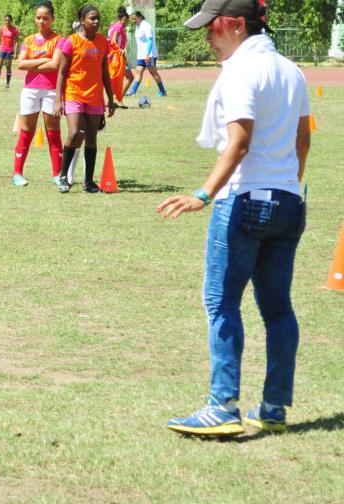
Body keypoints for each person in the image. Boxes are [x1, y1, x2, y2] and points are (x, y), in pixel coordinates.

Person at [159, 0, 310, 437]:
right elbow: (302, 138)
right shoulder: (291, 69)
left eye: (212, 27)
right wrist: (287, 185)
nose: (207, 36)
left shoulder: (241, 71)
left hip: (244, 199)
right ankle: (275, 407)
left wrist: (203, 194)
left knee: (222, 302)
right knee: (278, 307)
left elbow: (239, 141)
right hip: (287, 200)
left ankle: (222, 405)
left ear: (237, 25)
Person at [55, 4, 116, 194]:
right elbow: (62, 72)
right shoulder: (71, 42)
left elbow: (105, 72)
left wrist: (111, 99)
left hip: (95, 96)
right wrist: (58, 100)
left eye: (97, 18)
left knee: (91, 137)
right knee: (74, 133)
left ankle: (88, 181)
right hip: (74, 93)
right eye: (92, 18)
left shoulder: (102, 42)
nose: (96, 21)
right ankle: (63, 175)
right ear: (82, 20)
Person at [11, 2, 64, 187]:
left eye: (45, 18)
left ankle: (58, 174)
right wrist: (44, 59)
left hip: (51, 91)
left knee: (53, 133)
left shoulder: (59, 39)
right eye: (38, 17)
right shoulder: (28, 40)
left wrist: (32, 63)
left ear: (52, 19)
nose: (41, 21)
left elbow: (55, 65)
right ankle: (17, 174)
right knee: (26, 132)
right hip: (30, 91)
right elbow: (20, 64)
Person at [127, 11, 167, 97]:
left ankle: (162, 91)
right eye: (132, 19)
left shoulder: (146, 25)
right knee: (138, 71)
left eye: (135, 18)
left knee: (153, 73)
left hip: (149, 55)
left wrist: (148, 54)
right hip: (141, 55)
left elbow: (150, 40)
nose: (133, 20)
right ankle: (132, 91)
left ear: (140, 17)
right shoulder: (138, 26)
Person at [107, 6, 134, 103]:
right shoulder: (119, 26)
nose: (127, 23)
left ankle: (115, 98)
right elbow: (114, 40)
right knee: (130, 77)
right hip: (117, 56)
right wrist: (120, 51)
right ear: (124, 19)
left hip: (111, 55)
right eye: (127, 21)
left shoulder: (112, 26)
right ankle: (117, 99)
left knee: (114, 78)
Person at [0, 14, 19, 90]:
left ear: (11, 20)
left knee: (8, 66)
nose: (7, 22)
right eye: (6, 20)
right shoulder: (2, 28)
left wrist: (15, 52)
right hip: (2, 49)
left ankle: (7, 84)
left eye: (8, 20)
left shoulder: (15, 29)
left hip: (10, 50)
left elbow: (16, 42)